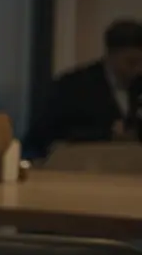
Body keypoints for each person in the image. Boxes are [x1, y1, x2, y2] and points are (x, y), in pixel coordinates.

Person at [24, 18, 142, 159]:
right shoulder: (73, 86)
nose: (138, 69)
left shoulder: (139, 85)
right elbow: (46, 135)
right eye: (131, 62)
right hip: (80, 168)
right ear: (110, 55)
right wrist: (106, 134)